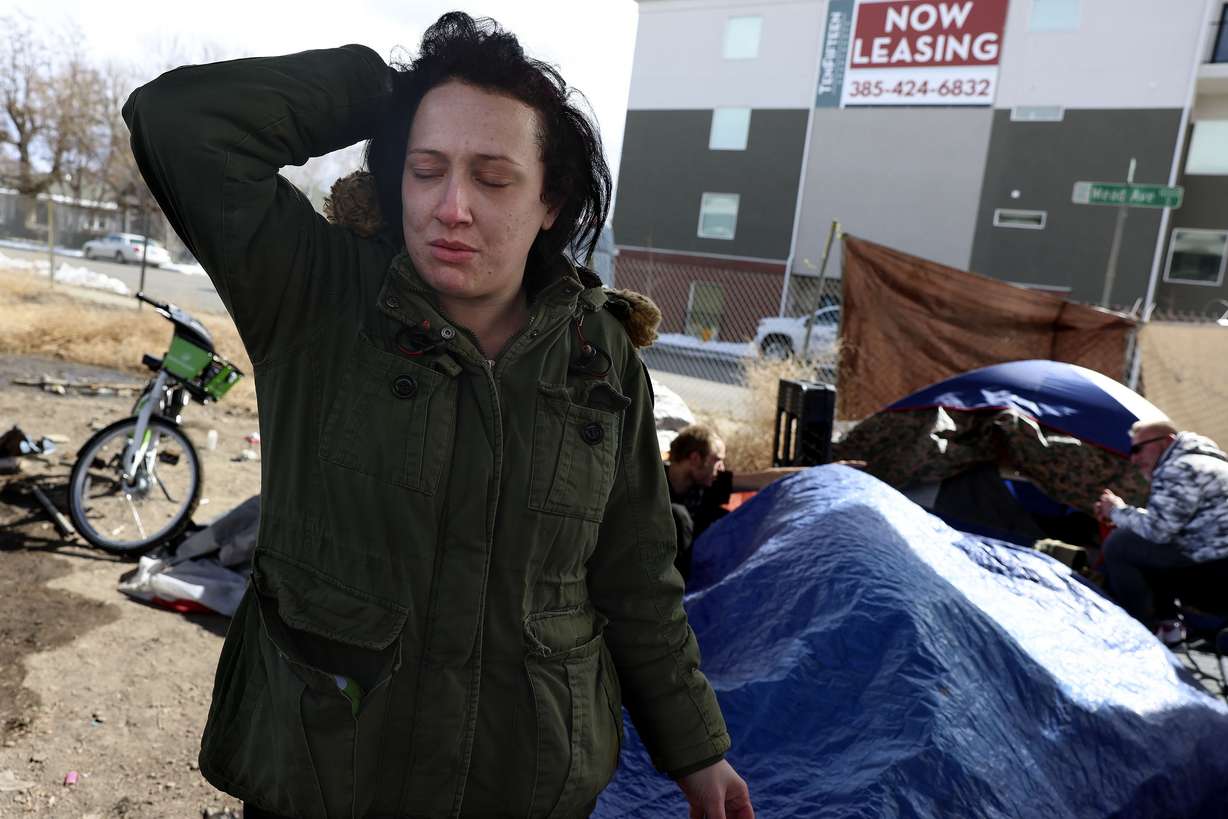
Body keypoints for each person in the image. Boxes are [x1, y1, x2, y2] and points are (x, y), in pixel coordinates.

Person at [123, 14, 754, 818]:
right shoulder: (316, 295)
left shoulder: (600, 356)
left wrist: (697, 752)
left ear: (551, 199)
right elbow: (179, 123)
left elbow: (635, 576)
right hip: (329, 773)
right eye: (426, 170)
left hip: (525, 783)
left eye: (492, 177)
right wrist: (393, 88)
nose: (452, 206)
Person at [1095, 417, 1228, 643]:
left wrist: (1116, 510)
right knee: (1146, 546)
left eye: (1138, 449)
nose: (1134, 459)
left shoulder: (1180, 468)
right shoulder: (1211, 463)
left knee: (1121, 544)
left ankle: (1145, 632)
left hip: (1215, 579)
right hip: (1216, 567)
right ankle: (1169, 623)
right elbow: (1167, 526)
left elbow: (1157, 531)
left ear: (1166, 442)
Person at [666, 425, 803, 583]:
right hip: (655, 569)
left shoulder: (707, 483)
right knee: (678, 516)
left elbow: (764, 479)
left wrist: (821, 470)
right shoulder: (649, 487)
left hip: (695, 567)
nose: (722, 468)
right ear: (695, 459)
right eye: (717, 460)